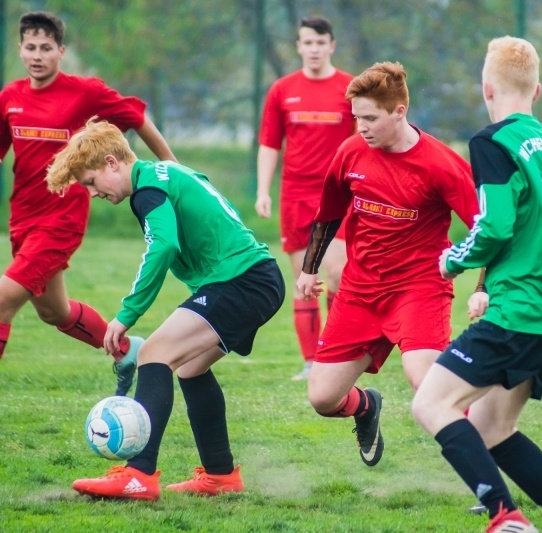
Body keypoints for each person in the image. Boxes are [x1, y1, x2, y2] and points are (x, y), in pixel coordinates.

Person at [46, 119, 285, 500]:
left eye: (90, 182)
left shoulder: (147, 189)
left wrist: (127, 313)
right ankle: (221, 475)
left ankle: (138, 475)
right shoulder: (165, 172)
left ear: (112, 163)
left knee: (154, 354)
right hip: (255, 279)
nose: (91, 193)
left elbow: (163, 246)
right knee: (190, 367)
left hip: (243, 281)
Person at [411, 37, 542, 533]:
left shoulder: (492, 142)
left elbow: (492, 227)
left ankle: (504, 517)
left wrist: (452, 261)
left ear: (486, 88)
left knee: (430, 403)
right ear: (536, 93)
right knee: (492, 428)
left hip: (518, 309)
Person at [296, 61, 479, 468]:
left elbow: (488, 230)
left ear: (399, 112)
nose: (361, 127)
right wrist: (309, 269)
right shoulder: (350, 152)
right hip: (360, 292)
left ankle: (486, 478)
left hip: (419, 289)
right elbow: (328, 214)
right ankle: (366, 408)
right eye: (357, 117)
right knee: (323, 398)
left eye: (371, 118)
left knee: (426, 380)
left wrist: (481, 287)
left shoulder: (441, 164)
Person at [0, 11, 177, 396]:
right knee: (53, 312)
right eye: (30, 47)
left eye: (46, 47)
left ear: (60, 51)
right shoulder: (10, 98)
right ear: (20, 49)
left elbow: (136, 116)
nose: (37, 55)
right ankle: (128, 351)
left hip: (60, 224)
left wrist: (172, 167)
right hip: (21, 222)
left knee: (1, 302)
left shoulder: (85, 93)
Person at [256, 16, 355, 381]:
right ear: (298, 47)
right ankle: (311, 362)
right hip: (295, 196)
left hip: (339, 196)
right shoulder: (282, 90)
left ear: (331, 45)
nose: (313, 49)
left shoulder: (349, 88)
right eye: (307, 43)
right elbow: (269, 143)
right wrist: (263, 190)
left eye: (320, 42)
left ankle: (334, 354)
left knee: (338, 273)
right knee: (303, 279)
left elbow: (364, 142)